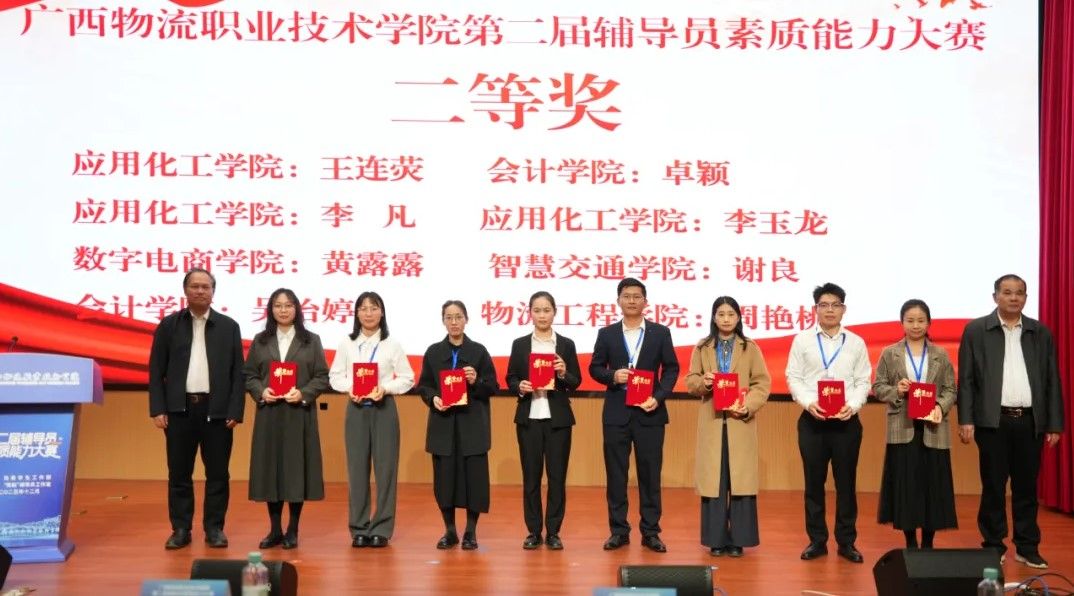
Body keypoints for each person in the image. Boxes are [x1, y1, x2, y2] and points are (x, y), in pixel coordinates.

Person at [958, 274, 1064, 569]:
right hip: (993, 422)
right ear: (995, 297)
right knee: (993, 486)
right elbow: (966, 380)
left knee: (1026, 488)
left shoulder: (1039, 332)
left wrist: (1054, 423)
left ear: (1026, 298)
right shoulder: (976, 330)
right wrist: (966, 418)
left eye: (1019, 293)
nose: (1014, 297)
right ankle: (993, 544)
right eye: (1007, 292)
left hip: (1030, 422)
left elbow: (1052, 380)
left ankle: (1027, 547)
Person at [148, 268, 244, 550]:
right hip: (180, 411)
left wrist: (235, 410)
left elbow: (238, 373)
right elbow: (156, 370)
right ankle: (181, 529)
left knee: (218, 474)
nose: (200, 291)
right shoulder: (169, 325)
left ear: (213, 292)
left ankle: (214, 529)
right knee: (179, 474)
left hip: (217, 412)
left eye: (205, 286)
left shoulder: (229, 327)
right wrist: (158, 408)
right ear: (185, 291)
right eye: (194, 286)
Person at [589, 278, 680, 553]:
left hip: (649, 412)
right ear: (618, 301)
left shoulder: (660, 333)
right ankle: (618, 531)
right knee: (616, 475)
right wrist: (612, 376)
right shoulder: (607, 334)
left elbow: (672, 369)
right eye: (626, 296)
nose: (631, 300)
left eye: (636, 296)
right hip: (616, 415)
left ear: (645, 301)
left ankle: (651, 532)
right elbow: (595, 368)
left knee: (650, 476)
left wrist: (659, 396)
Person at [785, 282, 871, 563]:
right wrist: (809, 402)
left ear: (844, 309)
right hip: (813, 421)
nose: (830, 310)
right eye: (824, 305)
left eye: (835, 305)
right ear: (816, 309)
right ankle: (817, 540)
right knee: (814, 484)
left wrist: (853, 405)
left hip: (846, 422)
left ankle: (847, 542)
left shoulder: (856, 342)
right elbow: (793, 377)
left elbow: (863, 381)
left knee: (846, 484)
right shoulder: (802, 340)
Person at [684, 296, 771, 558]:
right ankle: (716, 539)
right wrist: (704, 382)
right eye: (721, 314)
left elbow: (761, 383)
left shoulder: (749, 347)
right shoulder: (702, 347)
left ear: (739, 318)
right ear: (713, 317)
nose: (726, 319)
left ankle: (739, 540)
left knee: (741, 482)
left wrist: (748, 406)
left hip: (739, 421)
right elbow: (691, 382)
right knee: (715, 482)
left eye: (731, 314)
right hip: (712, 422)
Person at [243, 288, 330, 550]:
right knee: (270, 470)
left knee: (295, 470)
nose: (283, 310)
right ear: (270, 309)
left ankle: (292, 529)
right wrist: (261, 391)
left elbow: (321, 376)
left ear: (296, 309)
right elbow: (249, 375)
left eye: (288, 305)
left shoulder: (310, 340)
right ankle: (274, 530)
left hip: (298, 414)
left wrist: (303, 393)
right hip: (269, 414)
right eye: (278, 305)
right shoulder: (260, 340)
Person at [328, 291, 415, 548]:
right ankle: (359, 527)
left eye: (374, 308)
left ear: (382, 312)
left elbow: (408, 378)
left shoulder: (391, 344)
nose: (368, 313)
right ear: (356, 313)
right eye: (363, 309)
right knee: (357, 470)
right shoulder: (347, 343)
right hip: (356, 409)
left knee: (386, 470)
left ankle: (382, 528)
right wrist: (350, 388)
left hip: (383, 409)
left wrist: (385, 388)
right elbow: (335, 376)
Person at [873, 299, 957, 549]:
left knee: (933, 487)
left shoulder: (940, 354)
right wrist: (896, 391)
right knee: (906, 487)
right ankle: (910, 541)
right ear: (902, 323)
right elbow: (878, 387)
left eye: (921, 320)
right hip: (903, 427)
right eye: (910, 320)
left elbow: (951, 389)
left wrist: (939, 406)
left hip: (933, 427)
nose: (916, 325)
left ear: (929, 323)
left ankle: (928, 542)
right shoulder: (890, 353)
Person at [416, 300, 499, 550]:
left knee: (475, 480)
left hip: (472, 425)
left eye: (458, 317)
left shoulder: (479, 351)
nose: (454, 322)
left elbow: (492, 387)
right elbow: (424, 386)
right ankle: (450, 530)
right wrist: (434, 398)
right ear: (443, 321)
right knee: (444, 481)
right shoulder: (433, 352)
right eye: (449, 317)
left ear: (466, 319)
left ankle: (471, 532)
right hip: (443, 425)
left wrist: (476, 381)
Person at [505, 291, 582, 550]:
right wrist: (520, 386)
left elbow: (575, 382)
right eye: (537, 310)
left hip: (558, 420)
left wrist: (563, 373)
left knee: (557, 478)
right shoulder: (520, 344)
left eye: (546, 310)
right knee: (531, 478)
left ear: (554, 312)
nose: (542, 315)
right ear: (530, 313)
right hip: (529, 418)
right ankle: (534, 531)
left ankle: (554, 532)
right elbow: (511, 378)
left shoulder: (566, 345)